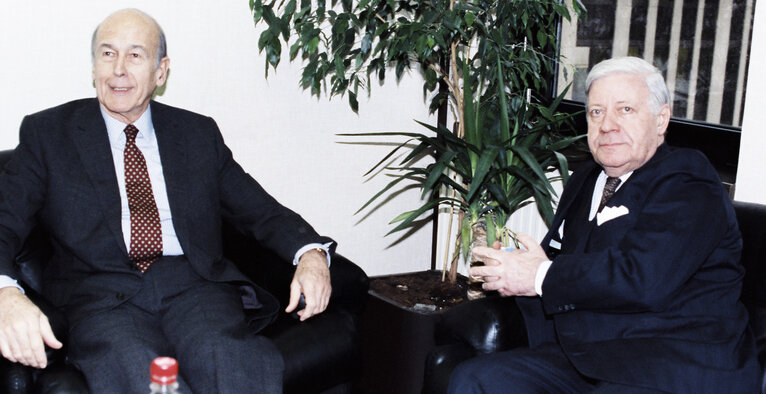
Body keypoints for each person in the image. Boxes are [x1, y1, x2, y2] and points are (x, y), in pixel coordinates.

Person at [0, 8, 334, 393]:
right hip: (101, 296)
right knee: (133, 366)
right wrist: (7, 292)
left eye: (135, 55)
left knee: (226, 357)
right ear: (93, 67)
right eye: (107, 54)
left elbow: (257, 208)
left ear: (161, 71)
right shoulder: (48, 134)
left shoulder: (195, 134)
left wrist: (310, 253)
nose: (119, 69)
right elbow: (4, 220)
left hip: (194, 286)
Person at [448, 57, 759, 393]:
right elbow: (559, 264)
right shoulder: (585, 179)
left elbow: (644, 278)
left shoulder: (689, 181)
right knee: (474, 380)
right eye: (596, 112)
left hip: (671, 362)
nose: (607, 125)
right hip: (586, 356)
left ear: (661, 120)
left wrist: (539, 275)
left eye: (625, 110)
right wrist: (513, 267)